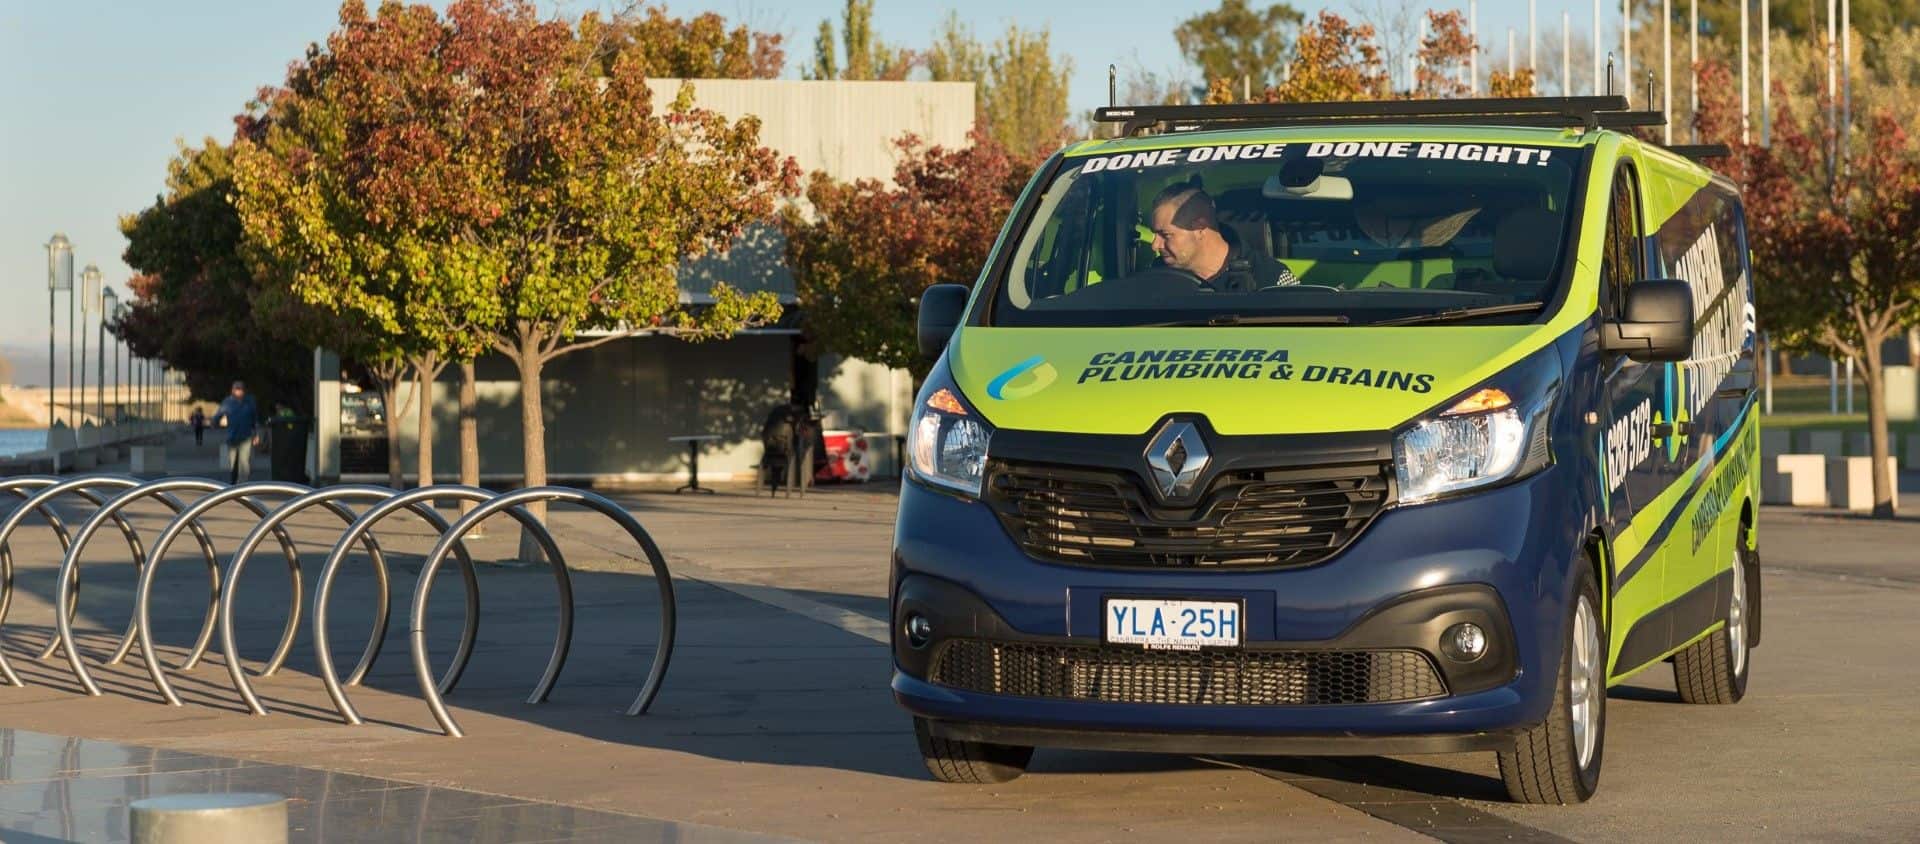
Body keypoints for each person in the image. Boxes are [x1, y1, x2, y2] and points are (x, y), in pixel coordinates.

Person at [1146, 184, 1298, 291]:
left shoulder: (1272, 278)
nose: (1155, 245)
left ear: (1199, 227)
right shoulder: (1154, 280)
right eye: (1155, 234)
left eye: (1165, 235)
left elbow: (1298, 332)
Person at [211, 381, 260, 483]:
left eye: (240, 390)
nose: (239, 392)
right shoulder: (228, 402)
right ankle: (233, 482)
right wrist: (214, 423)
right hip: (232, 437)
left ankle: (242, 485)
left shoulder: (249, 402)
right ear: (233, 390)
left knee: (244, 463)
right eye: (236, 390)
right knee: (233, 463)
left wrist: (256, 434)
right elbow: (218, 414)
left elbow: (255, 419)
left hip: (246, 436)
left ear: (244, 391)